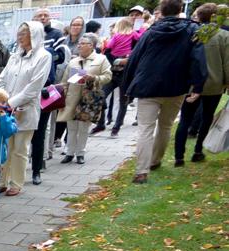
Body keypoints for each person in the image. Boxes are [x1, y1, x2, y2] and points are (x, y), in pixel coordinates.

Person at [123, 0, 207, 183]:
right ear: (179, 11)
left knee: (145, 128)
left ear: (161, 11)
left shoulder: (151, 31)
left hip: (148, 86)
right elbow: (198, 59)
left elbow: (134, 58)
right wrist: (198, 85)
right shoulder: (192, 31)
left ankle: (141, 171)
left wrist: (127, 86)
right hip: (176, 87)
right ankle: (155, 161)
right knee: (165, 126)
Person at [0, 22, 51, 196]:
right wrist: (0, 99)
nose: (19, 37)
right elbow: (2, 79)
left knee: (20, 148)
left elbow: (34, 87)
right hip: (6, 109)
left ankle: (16, 183)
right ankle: (1, 180)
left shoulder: (43, 56)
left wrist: (10, 103)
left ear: (33, 35)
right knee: (5, 146)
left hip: (25, 109)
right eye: (18, 34)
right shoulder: (15, 56)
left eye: (23, 34)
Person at [174, 3, 228, 166]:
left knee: (185, 119)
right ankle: (198, 150)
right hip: (214, 84)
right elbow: (227, 63)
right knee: (207, 117)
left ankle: (179, 157)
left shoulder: (192, 33)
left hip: (191, 84)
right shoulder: (223, 36)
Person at [57, 33, 112, 165]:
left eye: (83, 44)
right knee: (71, 127)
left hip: (89, 99)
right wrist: (62, 98)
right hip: (72, 98)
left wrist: (94, 78)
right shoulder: (73, 62)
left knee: (83, 127)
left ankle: (80, 153)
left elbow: (108, 76)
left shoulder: (101, 59)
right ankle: (69, 152)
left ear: (91, 46)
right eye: (79, 44)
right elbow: (65, 81)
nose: (79, 46)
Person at [30, 7, 68, 186]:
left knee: (40, 130)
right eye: (40, 15)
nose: (43, 17)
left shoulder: (55, 35)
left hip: (45, 89)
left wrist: (45, 57)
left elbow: (61, 56)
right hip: (25, 91)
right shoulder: (24, 40)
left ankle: (37, 167)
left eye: (46, 15)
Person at [95, 17, 139, 136]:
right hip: (119, 73)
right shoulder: (134, 34)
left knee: (112, 99)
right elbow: (140, 40)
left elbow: (108, 47)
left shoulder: (116, 37)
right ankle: (108, 126)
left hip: (120, 72)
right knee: (114, 100)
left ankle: (110, 125)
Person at [53, 16, 87, 148]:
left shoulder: (85, 40)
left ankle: (69, 141)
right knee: (62, 104)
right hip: (63, 74)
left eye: (79, 25)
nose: (76, 27)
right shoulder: (65, 41)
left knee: (73, 104)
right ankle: (57, 137)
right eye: (74, 24)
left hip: (78, 72)